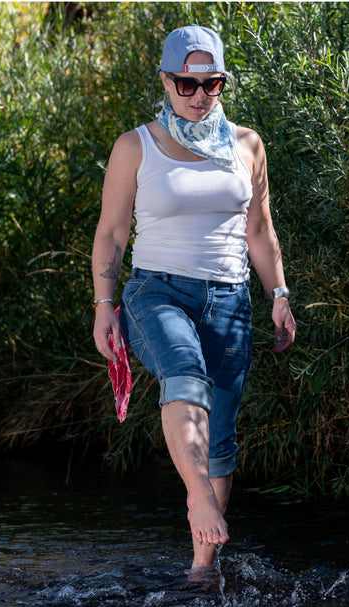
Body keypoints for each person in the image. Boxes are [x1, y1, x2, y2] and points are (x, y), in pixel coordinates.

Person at [91, 25, 296, 577]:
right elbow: (111, 234)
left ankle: (202, 569)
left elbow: (260, 229)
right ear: (164, 79)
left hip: (229, 300)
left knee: (222, 433)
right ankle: (198, 497)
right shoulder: (136, 146)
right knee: (184, 374)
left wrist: (278, 294)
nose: (200, 95)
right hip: (155, 291)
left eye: (212, 83)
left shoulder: (248, 146)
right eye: (187, 83)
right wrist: (103, 305)